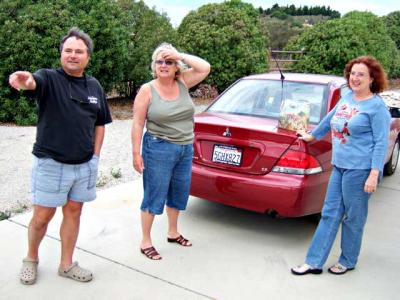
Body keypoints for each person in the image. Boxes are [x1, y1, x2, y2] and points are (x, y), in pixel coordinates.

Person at [9, 27, 112, 284]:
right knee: (42, 217)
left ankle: (66, 264)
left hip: (84, 165)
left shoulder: (94, 86)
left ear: (88, 56)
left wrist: (95, 157)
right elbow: (33, 82)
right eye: (68, 50)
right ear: (61, 54)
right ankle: (31, 259)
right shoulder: (48, 78)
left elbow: (100, 123)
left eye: (79, 51)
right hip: (50, 163)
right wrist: (26, 81)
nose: (73, 55)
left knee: (74, 213)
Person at [291, 56, 391, 275]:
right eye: (353, 73)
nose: (355, 78)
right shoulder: (346, 96)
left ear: (372, 78)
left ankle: (347, 260)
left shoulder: (377, 108)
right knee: (329, 214)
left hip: (361, 170)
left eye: (361, 74)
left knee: (353, 217)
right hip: (339, 166)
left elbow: (381, 143)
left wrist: (374, 174)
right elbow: (329, 119)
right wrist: (312, 136)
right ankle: (314, 262)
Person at [131, 43, 210, 260]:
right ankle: (145, 240)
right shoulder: (148, 90)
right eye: (160, 61)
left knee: (178, 192)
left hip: (185, 147)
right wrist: (136, 154)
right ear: (154, 66)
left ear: (177, 67)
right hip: (158, 148)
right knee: (154, 194)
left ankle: (173, 232)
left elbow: (205, 67)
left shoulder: (183, 81)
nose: (164, 65)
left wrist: (179, 55)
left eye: (169, 62)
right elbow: (137, 123)